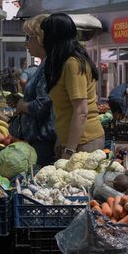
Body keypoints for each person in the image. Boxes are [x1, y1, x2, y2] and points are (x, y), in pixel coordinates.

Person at [42, 13, 105, 158]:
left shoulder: (73, 64)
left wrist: (70, 150)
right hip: (73, 140)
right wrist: (61, 139)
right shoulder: (64, 63)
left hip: (85, 141)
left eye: (45, 34)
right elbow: (65, 110)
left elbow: (81, 111)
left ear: (54, 37)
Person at [8, 14, 56, 165]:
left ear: (40, 38)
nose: (26, 44)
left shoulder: (48, 67)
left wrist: (22, 105)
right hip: (36, 139)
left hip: (43, 140)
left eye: (28, 38)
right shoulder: (44, 65)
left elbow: (43, 104)